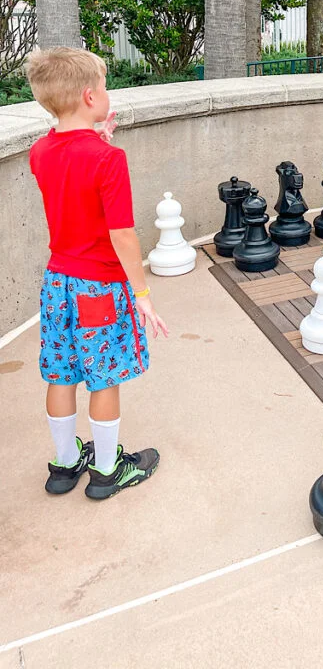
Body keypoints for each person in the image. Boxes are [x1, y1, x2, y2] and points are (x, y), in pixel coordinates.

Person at [25, 48, 168, 500]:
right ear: (90, 95)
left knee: (62, 372)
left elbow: (70, 170)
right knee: (104, 378)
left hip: (58, 283)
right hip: (100, 287)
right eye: (103, 87)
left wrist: (95, 138)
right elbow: (121, 233)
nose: (107, 94)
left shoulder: (39, 151)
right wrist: (141, 292)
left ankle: (65, 464)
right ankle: (107, 470)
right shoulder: (110, 159)